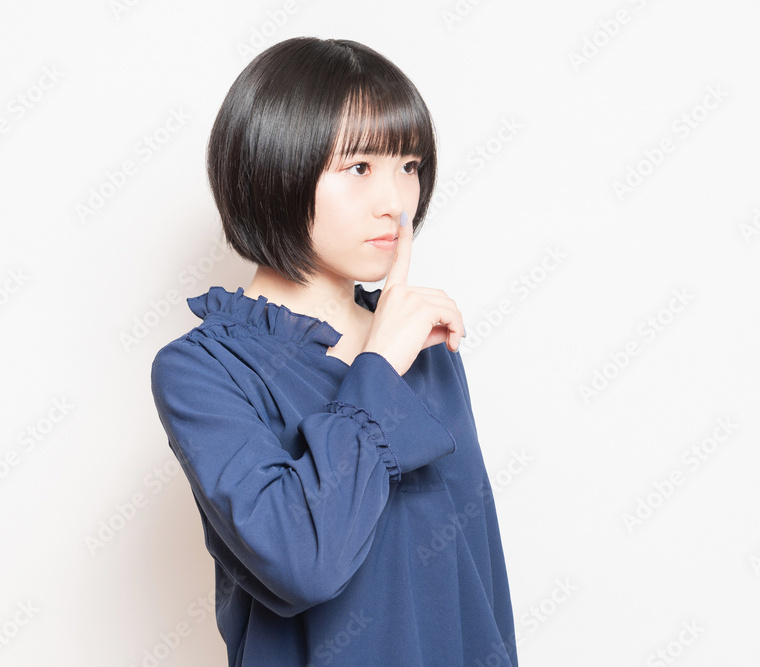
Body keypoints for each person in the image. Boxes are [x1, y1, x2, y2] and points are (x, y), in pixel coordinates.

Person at [150, 36, 518, 666]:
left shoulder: (423, 342)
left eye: (410, 166)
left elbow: (476, 574)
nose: (396, 203)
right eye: (360, 168)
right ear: (274, 168)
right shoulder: (201, 369)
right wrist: (378, 367)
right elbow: (304, 563)